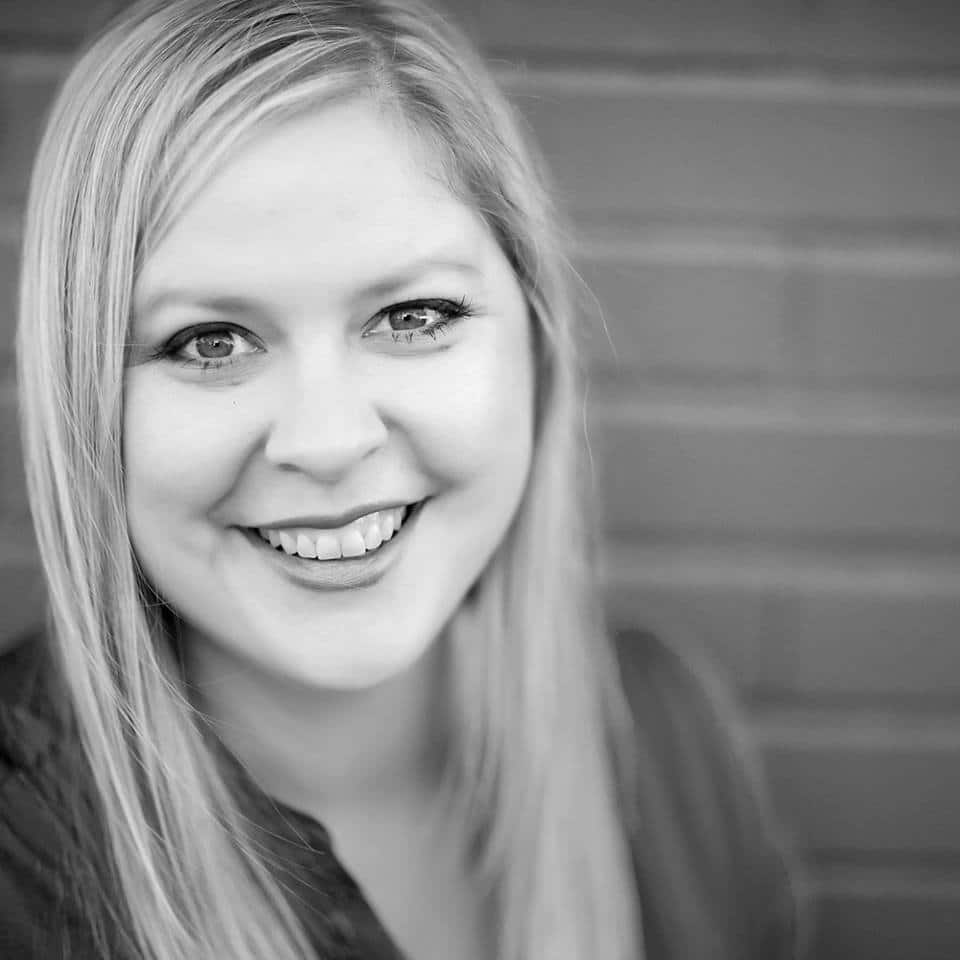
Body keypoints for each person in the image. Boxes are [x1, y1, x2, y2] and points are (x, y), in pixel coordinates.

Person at [3, 0, 801, 957]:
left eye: (415, 316)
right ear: (83, 397)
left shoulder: (664, 731)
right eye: (208, 341)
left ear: (537, 344)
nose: (329, 440)